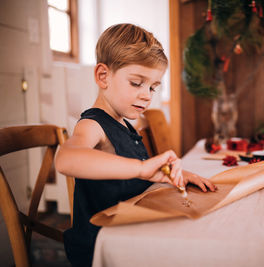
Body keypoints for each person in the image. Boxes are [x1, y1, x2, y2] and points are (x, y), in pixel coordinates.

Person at [55, 23, 216, 267]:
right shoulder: (93, 124)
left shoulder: (125, 123)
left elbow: (130, 177)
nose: (147, 95)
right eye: (136, 83)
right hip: (103, 244)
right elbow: (66, 159)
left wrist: (167, 173)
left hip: (130, 230)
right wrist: (141, 169)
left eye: (153, 87)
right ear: (103, 76)